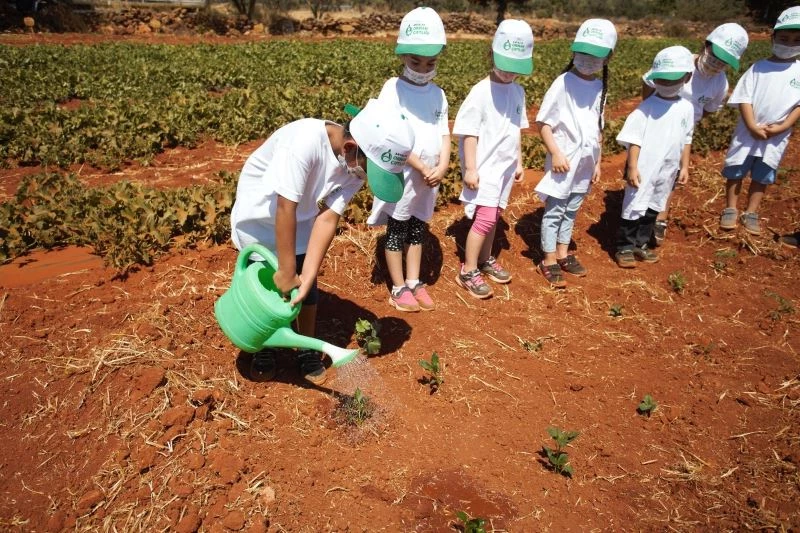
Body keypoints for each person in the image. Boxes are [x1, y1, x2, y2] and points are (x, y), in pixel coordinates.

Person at [230, 99, 414, 384]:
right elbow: (284, 207)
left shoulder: (355, 163)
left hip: (299, 217)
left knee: (308, 284)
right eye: (370, 172)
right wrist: (286, 270)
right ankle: (263, 347)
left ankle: (306, 347)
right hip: (261, 215)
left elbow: (328, 217)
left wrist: (307, 273)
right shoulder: (303, 143)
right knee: (265, 282)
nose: (366, 179)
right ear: (350, 148)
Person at [368, 7, 450, 312]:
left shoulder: (439, 94)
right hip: (402, 177)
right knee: (397, 230)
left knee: (418, 230)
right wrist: (421, 165)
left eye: (430, 62)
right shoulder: (393, 89)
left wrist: (442, 166)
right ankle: (398, 287)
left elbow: (444, 133)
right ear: (403, 56)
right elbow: (389, 137)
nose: (423, 67)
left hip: (430, 179)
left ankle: (415, 281)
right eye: (415, 61)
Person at [641, 23, 749, 246]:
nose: (717, 63)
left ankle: (660, 217)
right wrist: (648, 111)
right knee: (644, 171)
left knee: (669, 176)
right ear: (706, 44)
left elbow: (708, 111)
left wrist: (686, 128)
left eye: (724, 61)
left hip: (681, 136)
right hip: (655, 125)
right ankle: (638, 212)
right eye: (715, 55)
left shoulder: (720, 83)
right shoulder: (678, 61)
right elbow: (649, 83)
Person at [452, 19, 533, 299]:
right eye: (505, 64)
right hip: (484, 168)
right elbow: (468, 134)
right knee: (485, 219)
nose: (510, 72)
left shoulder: (518, 91)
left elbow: (516, 128)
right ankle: (468, 269)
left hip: (505, 167)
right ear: (491, 54)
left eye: (516, 67)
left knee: (495, 215)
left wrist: (519, 161)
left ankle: (485, 260)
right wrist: (470, 169)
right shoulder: (480, 92)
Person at [534, 18, 616, 288]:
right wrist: (556, 153)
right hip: (563, 161)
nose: (589, 60)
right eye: (583, 53)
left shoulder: (599, 87)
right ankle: (547, 259)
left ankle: (562, 253)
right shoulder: (563, 83)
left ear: (608, 58)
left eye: (596, 55)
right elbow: (543, 123)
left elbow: (597, 128)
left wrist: (598, 163)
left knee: (571, 210)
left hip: (585, 163)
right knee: (555, 210)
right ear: (574, 52)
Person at [719, 6, 800, 236]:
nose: (789, 44)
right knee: (736, 169)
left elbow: (798, 106)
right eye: (784, 38)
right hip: (748, 130)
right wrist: (752, 125)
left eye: (796, 40)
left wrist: (783, 127)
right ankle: (730, 208)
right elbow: (744, 98)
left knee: (762, 174)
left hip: (777, 135)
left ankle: (751, 212)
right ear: (772, 38)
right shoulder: (758, 68)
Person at [614, 46, 695, 268]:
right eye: (663, 80)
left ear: (687, 77)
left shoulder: (687, 108)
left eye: (672, 80)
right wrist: (632, 167)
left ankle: (641, 245)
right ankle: (624, 247)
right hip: (643, 168)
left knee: (653, 206)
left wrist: (684, 166)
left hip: (667, 169)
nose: (667, 85)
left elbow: (686, 138)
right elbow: (634, 140)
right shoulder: (645, 108)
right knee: (634, 206)